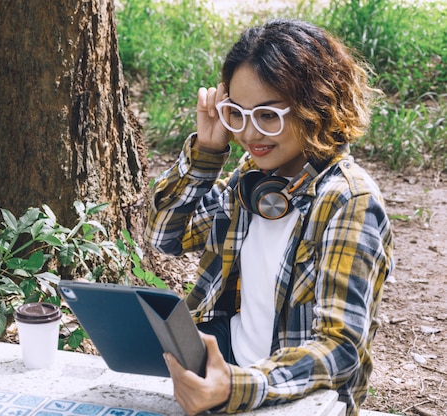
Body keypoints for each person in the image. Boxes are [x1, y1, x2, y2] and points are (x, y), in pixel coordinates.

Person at [144, 19, 394, 416]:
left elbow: (341, 348)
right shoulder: (253, 179)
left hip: (298, 394)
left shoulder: (350, 201)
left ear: (316, 106)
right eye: (236, 114)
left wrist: (239, 387)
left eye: (268, 116)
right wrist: (207, 153)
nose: (249, 134)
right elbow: (164, 237)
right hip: (229, 363)